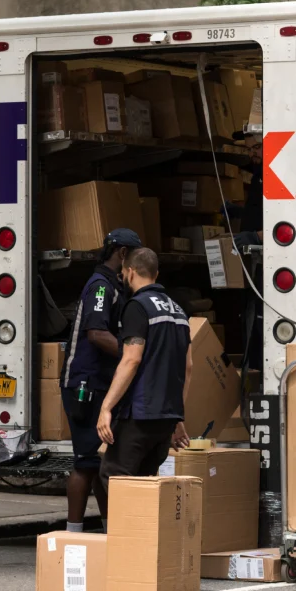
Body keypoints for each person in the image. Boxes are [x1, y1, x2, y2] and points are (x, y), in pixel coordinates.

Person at [60, 227, 142, 531]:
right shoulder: (100, 287)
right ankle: (73, 532)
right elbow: (96, 334)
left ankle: (110, 530)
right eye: (133, 256)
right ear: (122, 254)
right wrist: (131, 354)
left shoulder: (113, 286)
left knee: (100, 463)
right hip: (85, 386)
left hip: (98, 385)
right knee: (85, 462)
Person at [97, 247, 192, 480]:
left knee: (114, 476)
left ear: (129, 272)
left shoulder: (138, 307)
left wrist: (106, 407)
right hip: (166, 417)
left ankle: (122, 519)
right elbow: (188, 366)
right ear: (156, 274)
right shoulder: (179, 311)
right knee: (145, 480)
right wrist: (178, 417)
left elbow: (131, 359)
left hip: (141, 413)